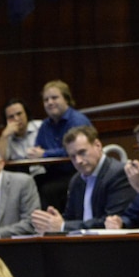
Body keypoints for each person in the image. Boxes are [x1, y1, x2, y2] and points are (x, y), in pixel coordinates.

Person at [29, 125, 136, 233]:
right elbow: (72, 218)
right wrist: (54, 221)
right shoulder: (76, 180)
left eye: (82, 152)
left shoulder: (118, 174)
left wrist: (63, 226)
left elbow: (109, 222)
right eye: (72, 156)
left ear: (97, 145)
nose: (78, 161)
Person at [32, 80, 92, 210]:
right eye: (46, 100)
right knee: (32, 182)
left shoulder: (77, 120)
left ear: (66, 99)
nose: (50, 102)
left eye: (54, 98)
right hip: (54, 172)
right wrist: (34, 153)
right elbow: (38, 148)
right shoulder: (45, 125)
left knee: (49, 189)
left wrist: (45, 153)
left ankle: (55, 226)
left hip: (78, 170)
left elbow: (75, 150)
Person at [0, 98, 44, 175]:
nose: (16, 119)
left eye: (19, 114)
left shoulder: (41, 127)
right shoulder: (6, 137)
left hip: (43, 173)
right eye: (11, 117)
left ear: (26, 114)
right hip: (19, 178)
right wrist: (4, 136)